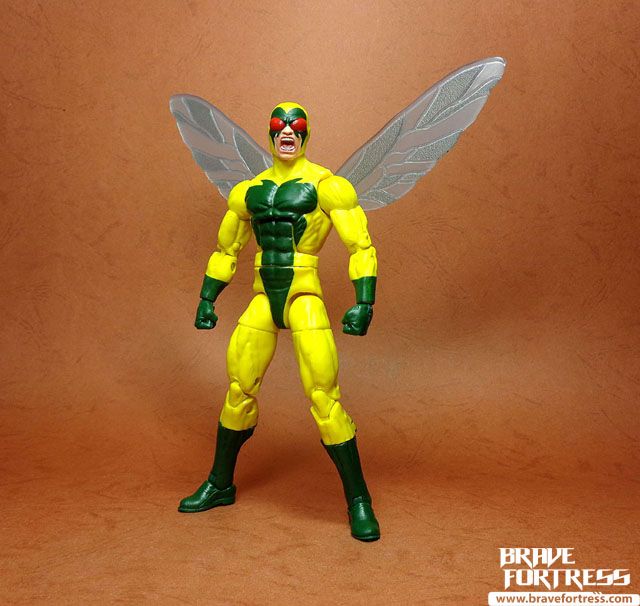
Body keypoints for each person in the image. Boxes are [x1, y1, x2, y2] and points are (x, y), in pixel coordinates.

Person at [178, 102, 380, 542]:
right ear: (270, 135)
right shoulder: (248, 191)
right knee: (238, 389)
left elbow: (360, 245)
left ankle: (358, 500)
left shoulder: (328, 186)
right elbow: (226, 248)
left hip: (303, 294)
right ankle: (220, 483)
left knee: (324, 397)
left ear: (306, 134)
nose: (287, 131)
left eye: (296, 125)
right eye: (279, 125)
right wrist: (207, 297)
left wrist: (364, 301)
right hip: (261, 296)